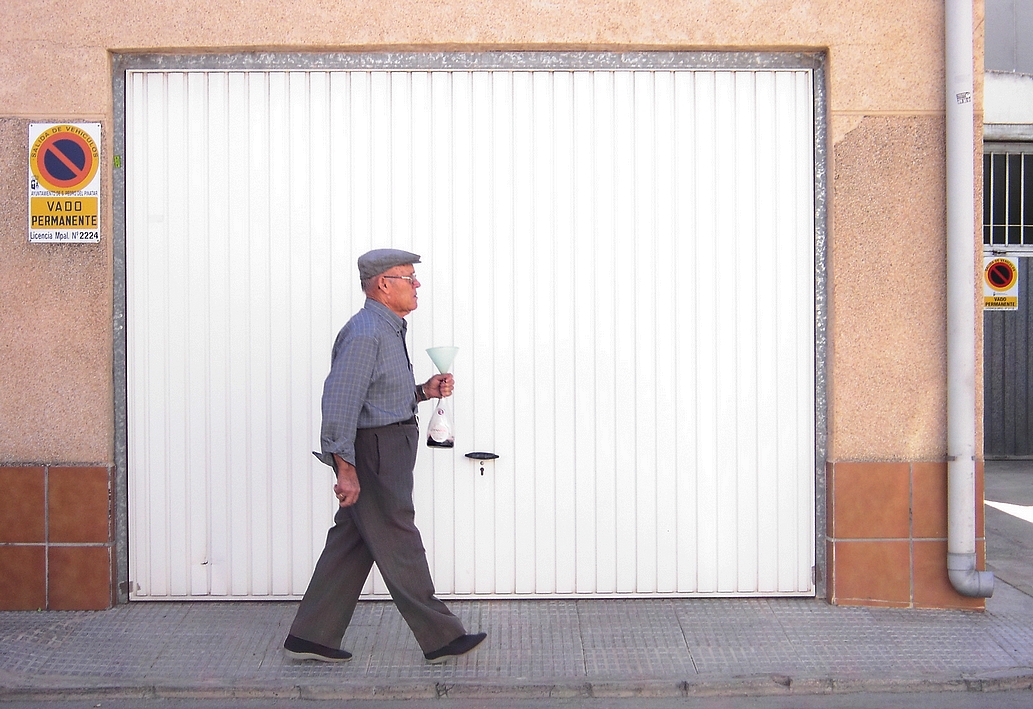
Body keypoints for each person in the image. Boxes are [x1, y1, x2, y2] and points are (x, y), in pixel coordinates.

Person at [284, 248, 486, 664]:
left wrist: (422, 392)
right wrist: (344, 468)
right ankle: (442, 638)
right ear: (382, 284)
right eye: (408, 278)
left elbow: (378, 396)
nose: (417, 285)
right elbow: (340, 402)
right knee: (399, 539)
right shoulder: (365, 333)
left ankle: (310, 636)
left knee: (353, 541)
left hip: (386, 445)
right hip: (376, 452)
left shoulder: (389, 329)